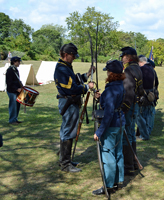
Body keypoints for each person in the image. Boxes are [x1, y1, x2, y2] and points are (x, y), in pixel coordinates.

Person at [54, 43, 95, 173]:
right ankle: (65, 164)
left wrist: (87, 75)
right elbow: (71, 88)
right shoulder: (61, 69)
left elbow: (74, 80)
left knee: (68, 131)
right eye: (72, 56)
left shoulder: (66, 66)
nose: (74, 58)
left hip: (71, 102)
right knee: (68, 132)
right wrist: (87, 87)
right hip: (68, 102)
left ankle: (66, 160)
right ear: (66, 55)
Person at [92, 60, 126, 196]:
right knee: (118, 153)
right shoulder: (120, 86)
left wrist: (99, 132)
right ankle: (118, 181)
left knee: (108, 156)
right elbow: (111, 104)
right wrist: (101, 98)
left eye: (108, 71)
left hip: (111, 125)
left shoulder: (111, 89)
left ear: (111, 73)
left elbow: (108, 113)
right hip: (120, 123)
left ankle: (109, 185)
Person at [120, 47, 143, 176]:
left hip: (129, 107)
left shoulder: (129, 70)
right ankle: (133, 163)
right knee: (131, 135)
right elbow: (140, 91)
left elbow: (128, 92)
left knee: (126, 137)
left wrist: (123, 109)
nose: (122, 58)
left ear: (128, 57)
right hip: (135, 106)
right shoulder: (137, 68)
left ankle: (128, 165)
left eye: (123, 56)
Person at [136, 55, 159, 140]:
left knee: (140, 115)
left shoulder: (141, 70)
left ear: (140, 62)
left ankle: (144, 134)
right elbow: (156, 83)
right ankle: (148, 132)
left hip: (143, 95)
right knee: (150, 114)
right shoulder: (152, 70)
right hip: (152, 94)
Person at [6, 56, 22, 125]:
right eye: (18, 62)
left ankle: (15, 118)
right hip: (12, 90)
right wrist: (16, 89)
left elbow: (17, 80)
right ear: (14, 62)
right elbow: (9, 82)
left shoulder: (15, 69)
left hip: (17, 90)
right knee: (13, 105)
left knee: (18, 104)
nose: (19, 63)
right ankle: (12, 120)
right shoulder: (10, 70)